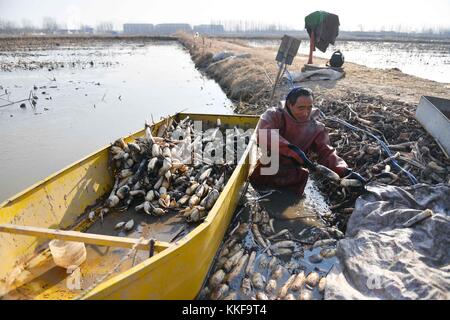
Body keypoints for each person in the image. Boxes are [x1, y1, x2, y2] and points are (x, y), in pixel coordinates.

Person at [249, 87, 365, 196]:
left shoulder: (316, 127)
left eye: (309, 107)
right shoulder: (274, 115)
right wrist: (293, 151)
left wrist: (345, 171)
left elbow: (327, 152)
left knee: (291, 203)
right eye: (301, 108)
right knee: (259, 197)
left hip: (294, 176)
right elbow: (264, 134)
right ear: (289, 104)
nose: (305, 112)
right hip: (267, 169)